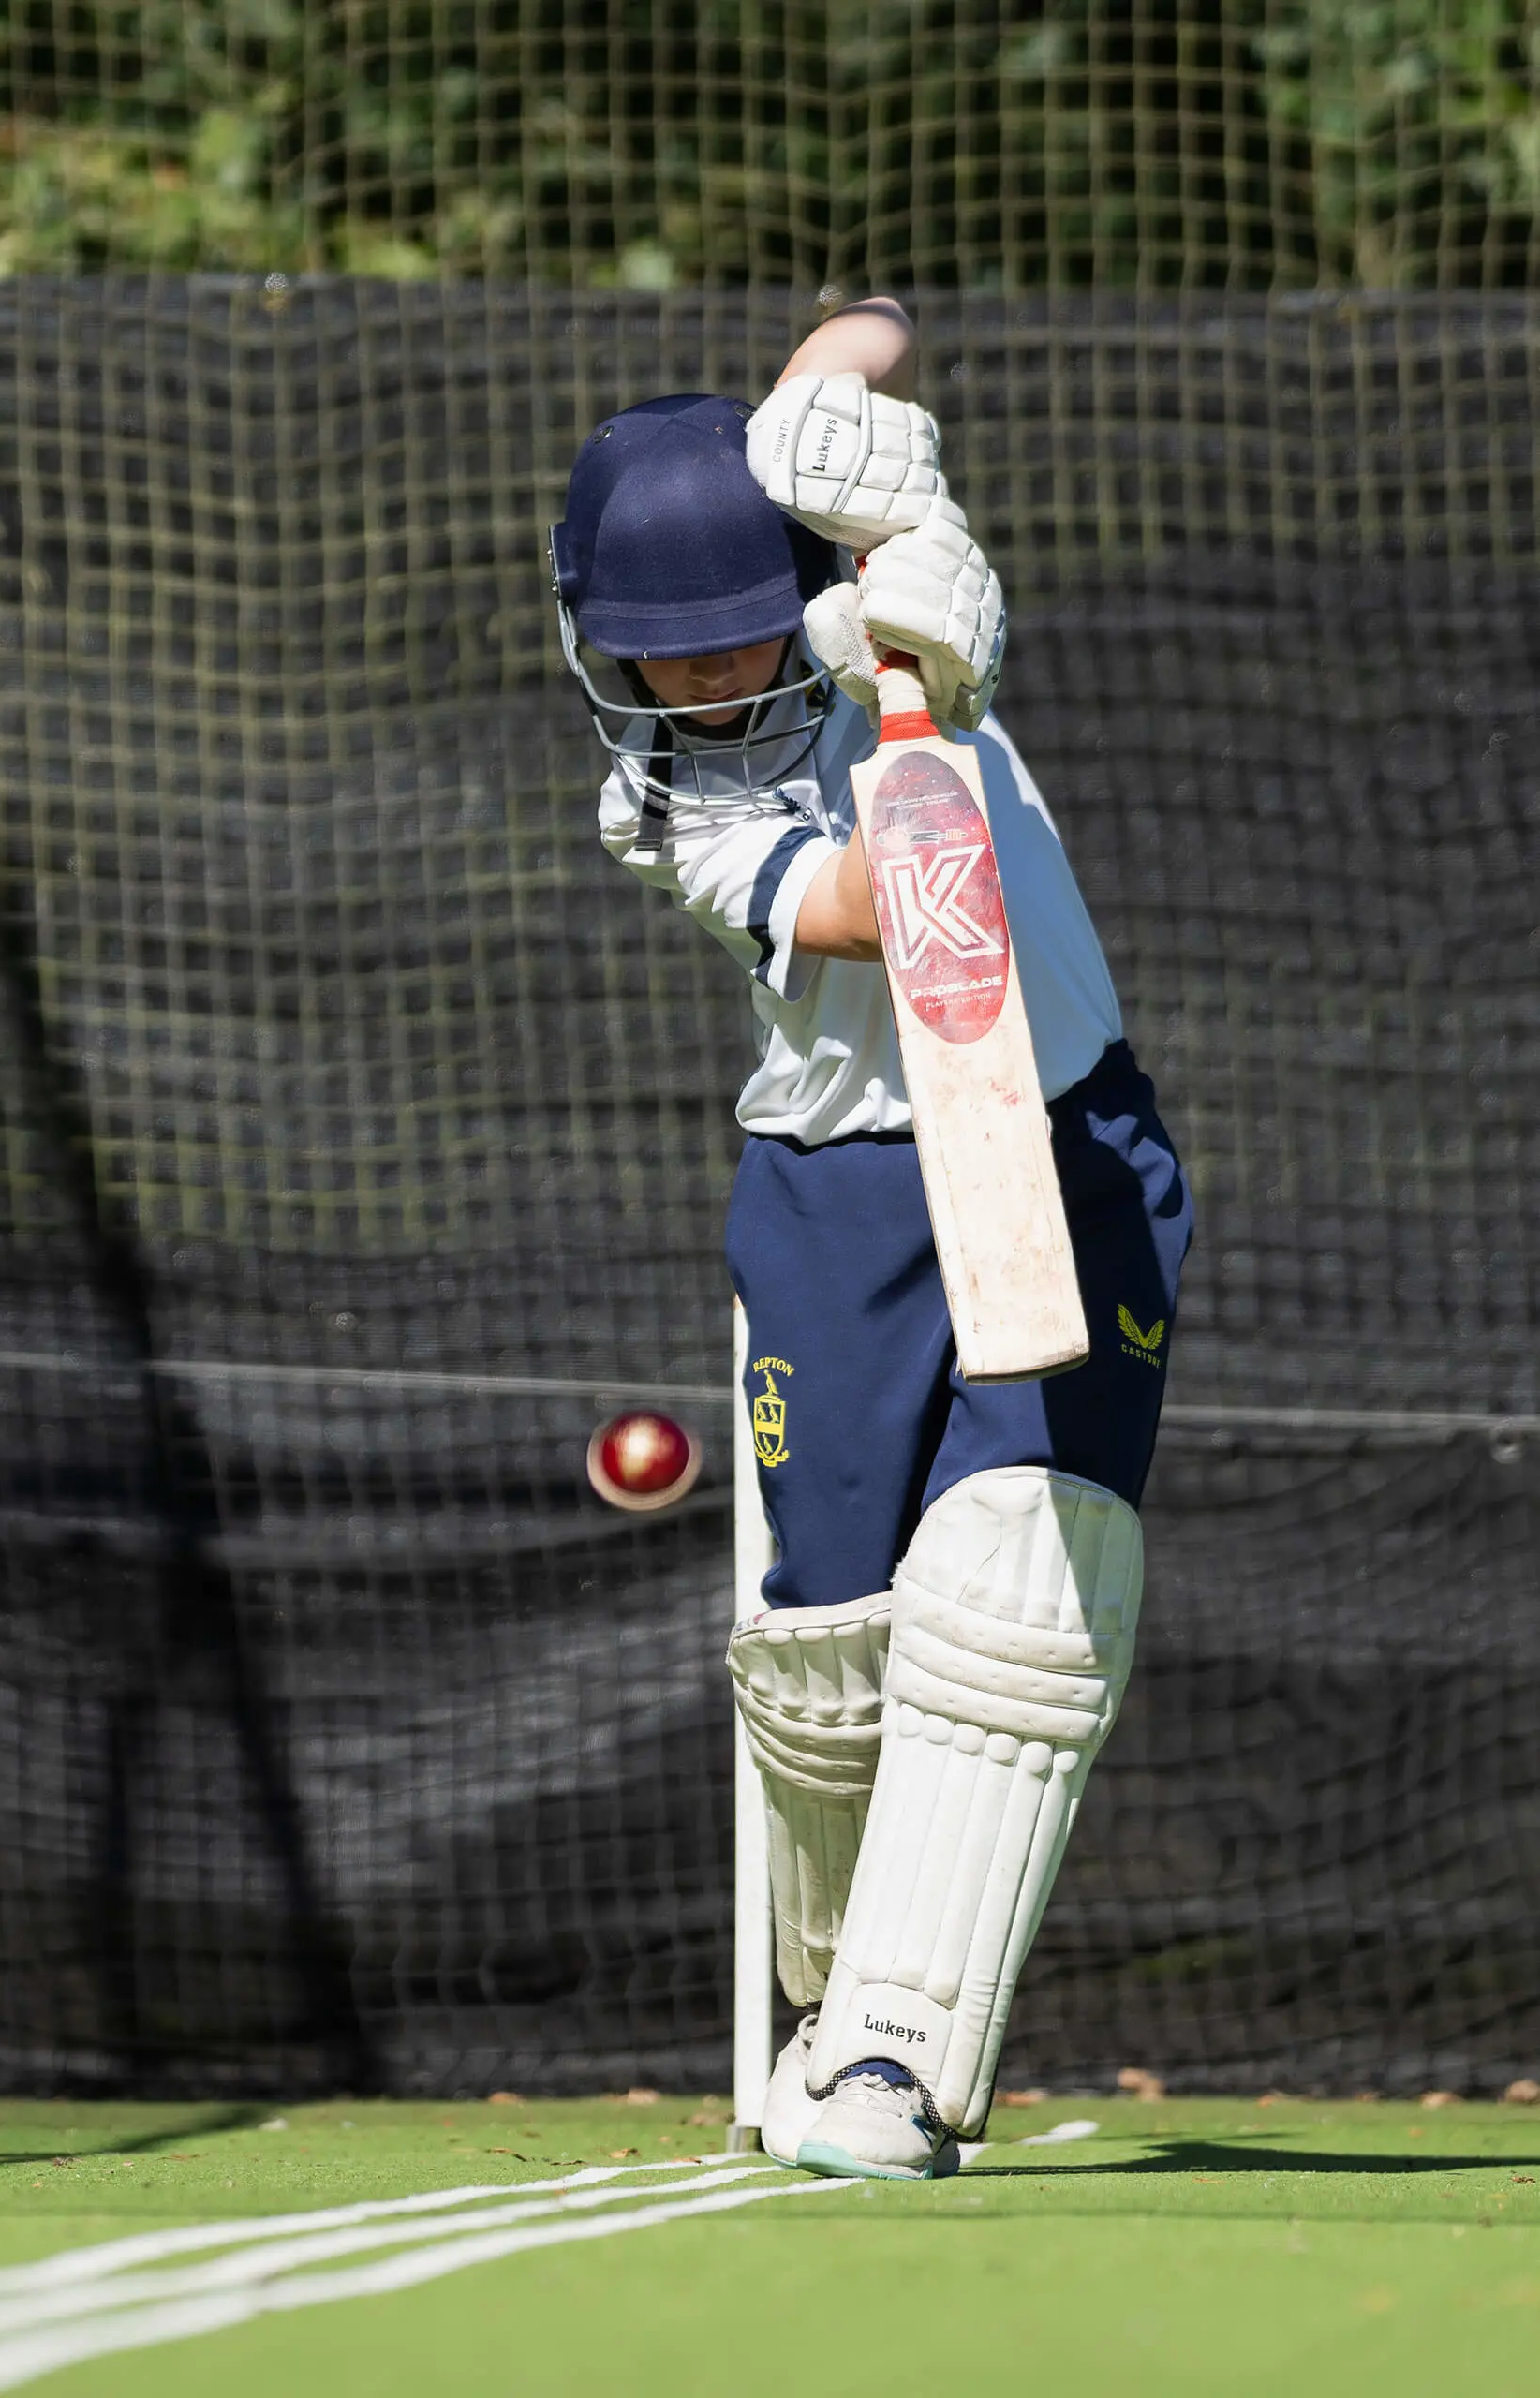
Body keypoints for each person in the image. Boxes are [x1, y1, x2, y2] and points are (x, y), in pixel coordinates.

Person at [551, 300, 1192, 2181]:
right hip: (839, 1184)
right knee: (828, 1642)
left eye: (734, 630)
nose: (707, 674)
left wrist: (878, 481)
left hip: (1066, 1132)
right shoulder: (662, 792)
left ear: (788, 586)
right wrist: (931, 660)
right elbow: (868, 904)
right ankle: (836, 1990)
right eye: (658, 657)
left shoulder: (882, 621)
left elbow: (871, 328)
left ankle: (897, 2060)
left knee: (1016, 1577)